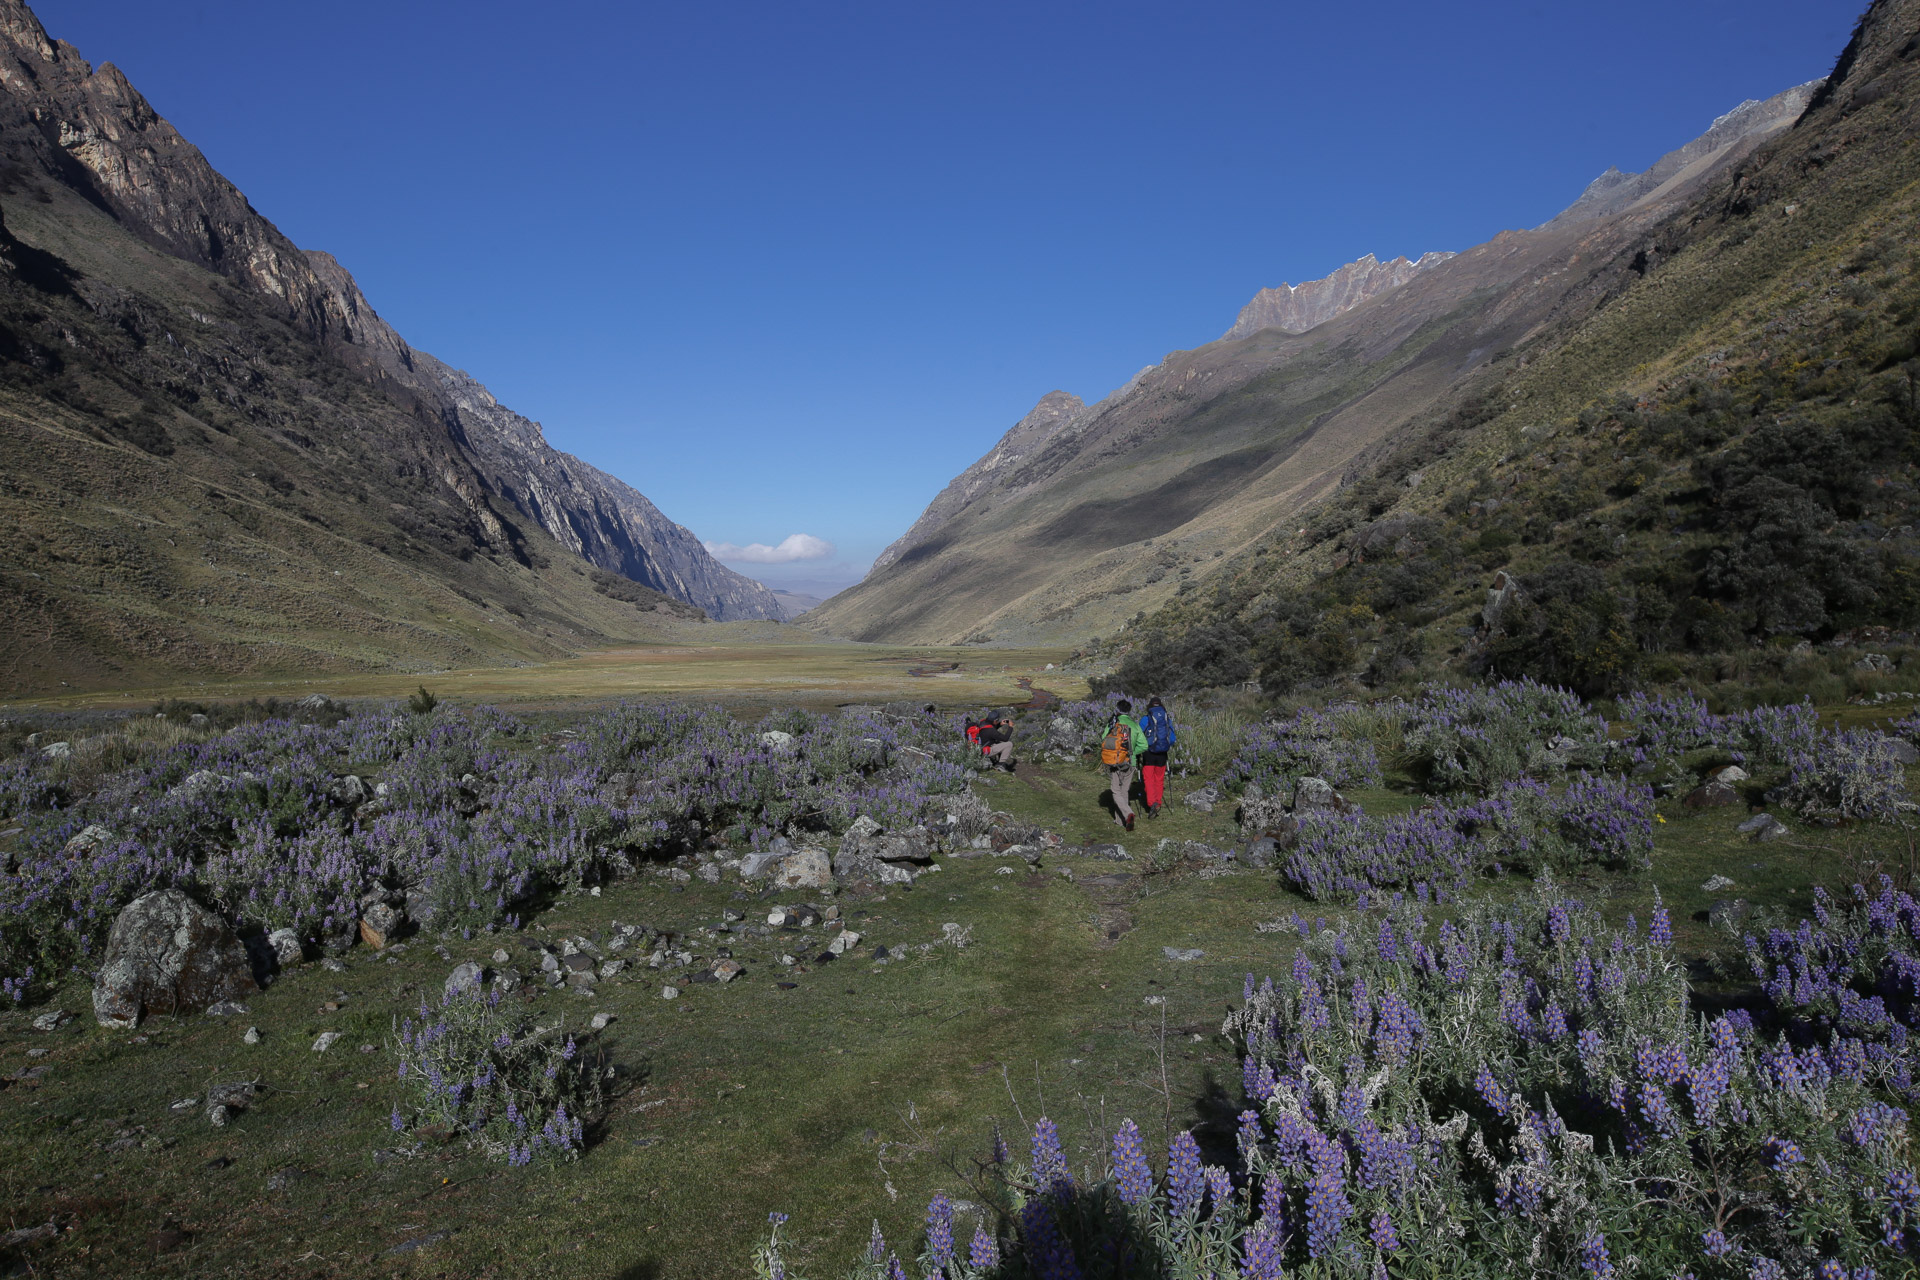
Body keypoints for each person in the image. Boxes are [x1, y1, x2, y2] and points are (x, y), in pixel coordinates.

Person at [1100, 699, 1148, 831]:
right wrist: (1132, 754)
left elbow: (1104, 739)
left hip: (1116, 762)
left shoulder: (1113, 724)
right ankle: (1120, 820)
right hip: (1130, 762)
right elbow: (1144, 745)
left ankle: (1127, 814)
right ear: (1129, 711)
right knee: (1124, 791)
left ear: (1117, 710)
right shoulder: (1135, 725)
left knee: (1115, 790)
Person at [1137, 696, 1175, 817]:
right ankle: (1158, 803)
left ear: (1149, 706)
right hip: (1162, 753)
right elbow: (1172, 738)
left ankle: (1151, 803)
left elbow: (1138, 735)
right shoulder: (1166, 718)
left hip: (1148, 753)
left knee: (1148, 779)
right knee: (1159, 778)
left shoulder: (1145, 719)